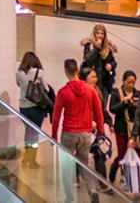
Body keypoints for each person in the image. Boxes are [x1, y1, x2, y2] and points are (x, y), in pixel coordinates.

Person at [52, 57, 107, 199]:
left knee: (66, 167)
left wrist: (53, 137)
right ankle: (92, 190)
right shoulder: (90, 90)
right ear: (77, 70)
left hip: (69, 133)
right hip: (85, 133)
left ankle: (69, 196)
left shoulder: (63, 92)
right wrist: (101, 131)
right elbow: (99, 111)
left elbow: (56, 116)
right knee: (84, 164)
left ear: (66, 72)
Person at [17, 52, 51, 162]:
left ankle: (27, 156)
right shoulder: (39, 72)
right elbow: (46, 89)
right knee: (35, 133)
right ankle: (32, 159)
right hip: (36, 107)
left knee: (28, 131)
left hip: (24, 107)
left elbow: (19, 84)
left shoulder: (19, 72)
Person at [111, 71, 140, 182]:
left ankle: (135, 181)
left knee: (137, 155)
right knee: (122, 155)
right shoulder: (116, 93)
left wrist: (135, 106)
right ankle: (114, 168)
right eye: (129, 82)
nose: (131, 85)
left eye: (133, 82)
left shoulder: (138, 94)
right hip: (121, 129)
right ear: (123, 81)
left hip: (134, 131)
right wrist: (123, 103)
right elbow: (112, 109)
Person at [82, 24, 119, 103]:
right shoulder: (89, 46)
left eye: (102, 34)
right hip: (91, 83)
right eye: (98, 33)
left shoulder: (108, 48)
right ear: (94, 34)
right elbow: (88, 59)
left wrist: (111, 66)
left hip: (104, 83)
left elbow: (113, 62)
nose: (100, 35)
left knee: (102, 107)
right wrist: (97, 49)